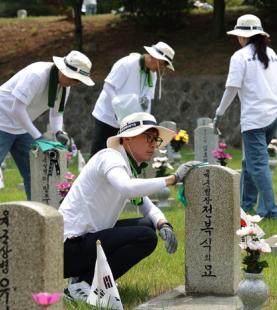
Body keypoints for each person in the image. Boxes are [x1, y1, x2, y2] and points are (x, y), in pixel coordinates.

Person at [60, 112, 200, 301]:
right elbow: (127, 188)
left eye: (155, 139)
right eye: (148, 137)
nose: (153, 144)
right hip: (67, 249)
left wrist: (163, 224)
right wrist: (172, 179)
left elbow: (148, 207)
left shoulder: (125, 166)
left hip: (82, 245)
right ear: (127, 139)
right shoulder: (110, 157)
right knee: (145, 237)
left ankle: (86, 280)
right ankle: (82, 286)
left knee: (147, 225)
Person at [0, 50, 94, 200]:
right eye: (74, 79)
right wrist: (38, 137)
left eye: (78, 81)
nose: (75, 83)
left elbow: (56, 113)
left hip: (22, 126)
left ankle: (36, 215)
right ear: (63, 70)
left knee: (34, 173)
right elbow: (16, 108)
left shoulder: (65, 87)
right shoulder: (37, 75)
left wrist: (58, 132)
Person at [212, 14, 277, 219]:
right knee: (250, 162)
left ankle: (271, 210)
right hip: (275, 115)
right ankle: (246, 203)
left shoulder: (240, 56)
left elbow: (232, 88)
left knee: (257, 164)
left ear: (243, 36)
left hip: (255, 119)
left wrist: (219, 113)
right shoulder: (273, 54)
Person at [90, 41, 175, 157]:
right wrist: (118, 107)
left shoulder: (153, 75)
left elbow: (147, 100)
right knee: (99, 153)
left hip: (129, 122)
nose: (162, 68)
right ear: (154, 57)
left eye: (165, 65)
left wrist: (146, 124)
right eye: (162, 64)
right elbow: (108, 86)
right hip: (107, 116)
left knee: (121, 156)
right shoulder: (127, 63)